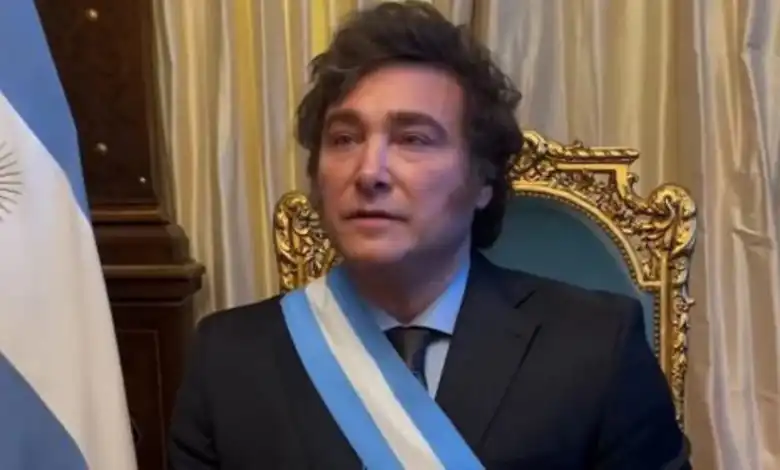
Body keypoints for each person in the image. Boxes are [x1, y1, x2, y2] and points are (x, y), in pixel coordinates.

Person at [168, 1, 691, 469]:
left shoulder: (595, 346)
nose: (369, 171)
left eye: (413, 139)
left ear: (483, 180)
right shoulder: (228, 361)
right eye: (344, 138)